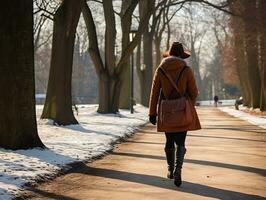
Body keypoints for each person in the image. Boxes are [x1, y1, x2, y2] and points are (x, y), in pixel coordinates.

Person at [149, 42, 201, 187]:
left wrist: (152, 113)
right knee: (181, 142)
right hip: (183, 111)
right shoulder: (186, 69)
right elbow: (194, 92)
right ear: (181, 55)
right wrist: (188, 102)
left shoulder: (161, 69)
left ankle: (170, 169)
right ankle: (179, 169)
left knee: (169, 141)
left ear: (169, 53)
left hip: (166, 112)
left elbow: (154, 93)